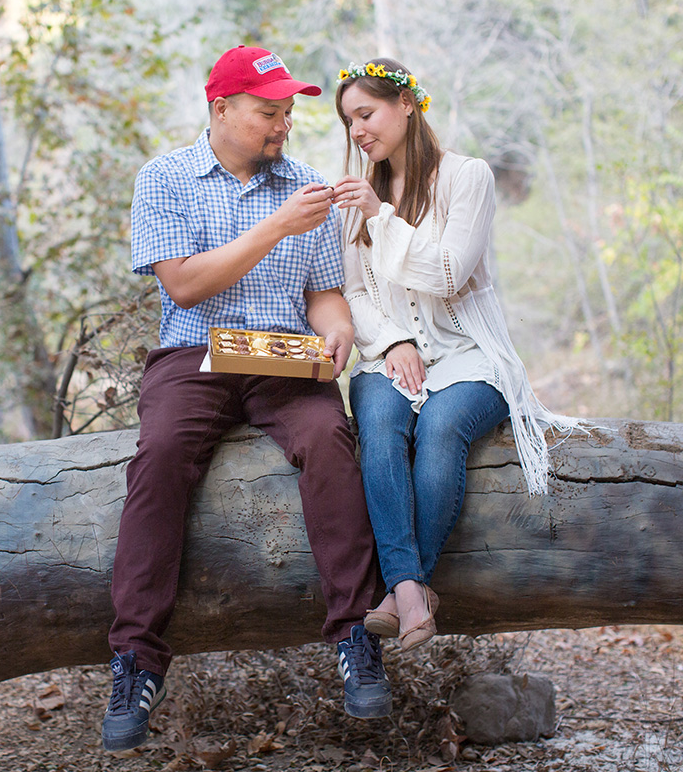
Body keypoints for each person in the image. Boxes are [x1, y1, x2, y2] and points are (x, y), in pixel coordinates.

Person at [102, 46, 391, 753]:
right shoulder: (165, 178)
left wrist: (338, 332)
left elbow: (323, 294)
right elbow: (185, 286)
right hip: (195, 353)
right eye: (269, 111)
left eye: (289, 112)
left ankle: (356, 636)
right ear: (221, 108)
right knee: (161, 454)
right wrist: (272, 228)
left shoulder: (308, 187)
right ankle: (137, 658)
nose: (283, 125)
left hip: (283, 358)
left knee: (330, 440)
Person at [331, 58, 580, 652]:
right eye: (348, 123)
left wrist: (377, 213)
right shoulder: (354, 197)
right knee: (381, 426)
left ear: (408, 104)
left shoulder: (467, 177)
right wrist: (392, 341)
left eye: (366, 114)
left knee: (441, 429)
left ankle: (402, 590)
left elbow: (446, 273)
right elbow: (355, 293)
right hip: (389, 358)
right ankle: (415, 594)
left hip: (470, 354)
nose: (358, 131)